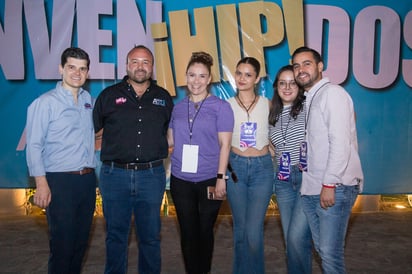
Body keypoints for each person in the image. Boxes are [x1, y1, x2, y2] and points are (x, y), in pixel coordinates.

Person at [93, 45, 174, 274]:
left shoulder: (163, 98)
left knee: (150, 237)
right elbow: (95, 132)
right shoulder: (108, 96)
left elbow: (169, 132)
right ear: (127, 65)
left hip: (151, 176)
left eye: (146, 62)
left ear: (152, 67)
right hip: (114, 175)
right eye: (135, 61)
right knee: (115, 237)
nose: (140, 66)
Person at [291, 46, 364, 273]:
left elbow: (340, 142)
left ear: (320, 66)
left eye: (307, 63)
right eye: (296, 66)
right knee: (324, 252)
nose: (301, 69)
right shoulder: (312, 98)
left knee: (330, 254)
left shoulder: (332, 94)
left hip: (334, 187)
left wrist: (329, 183)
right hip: (313, 187)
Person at [26, 47, 96, 274]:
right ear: (61, 69)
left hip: (86, 181)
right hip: (59, 182)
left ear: (87, 72)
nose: (77, 73)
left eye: (82, 68)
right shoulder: (45, 103)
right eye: (72, 67)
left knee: (80, 244)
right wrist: (41, 184)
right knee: (62, 245)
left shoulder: (89, 101)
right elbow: (34, 145)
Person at [167, 51, 234, 274]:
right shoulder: (177, 107)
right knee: (187, 231)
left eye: (202, 76)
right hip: (181, 180)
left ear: (209, 79)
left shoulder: (221, 107)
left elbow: (225, 145)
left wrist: (220, 178)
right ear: (185, 77)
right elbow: (170, 140)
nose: (196, 81)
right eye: (192, 75)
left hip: (210, 180)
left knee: (205, 230)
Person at [226, 57, 274, 274]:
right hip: (235, 168)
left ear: (256, 79)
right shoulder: (226, 107)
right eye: (238, 73)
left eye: (248, 74)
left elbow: (277, 136)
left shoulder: (268, 104)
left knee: (253, 232)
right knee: (240, 230)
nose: (242, 78)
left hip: (262, 169)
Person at [269, 65, 312, 274]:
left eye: (292, 82)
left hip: (305, 177)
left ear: (300, 86)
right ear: (276, 87)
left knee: (297, 236)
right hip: (283, 180)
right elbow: (271, 146)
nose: (287, 87)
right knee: (290, 238)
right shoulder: (272, 114)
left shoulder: (309, 107)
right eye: (282, 83)